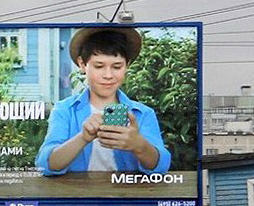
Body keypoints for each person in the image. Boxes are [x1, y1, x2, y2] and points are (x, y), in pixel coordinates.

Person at [36, 26, 171, 176]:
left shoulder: (142, 113)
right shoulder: (65, 110)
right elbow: (45, 165)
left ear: (127, 65)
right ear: (82, 64)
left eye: (117, 67)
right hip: (77, 191)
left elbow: (161, 167)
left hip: (127, 191)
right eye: (99, 66)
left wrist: (139, 145)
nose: (108, 75)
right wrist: (83, 138)